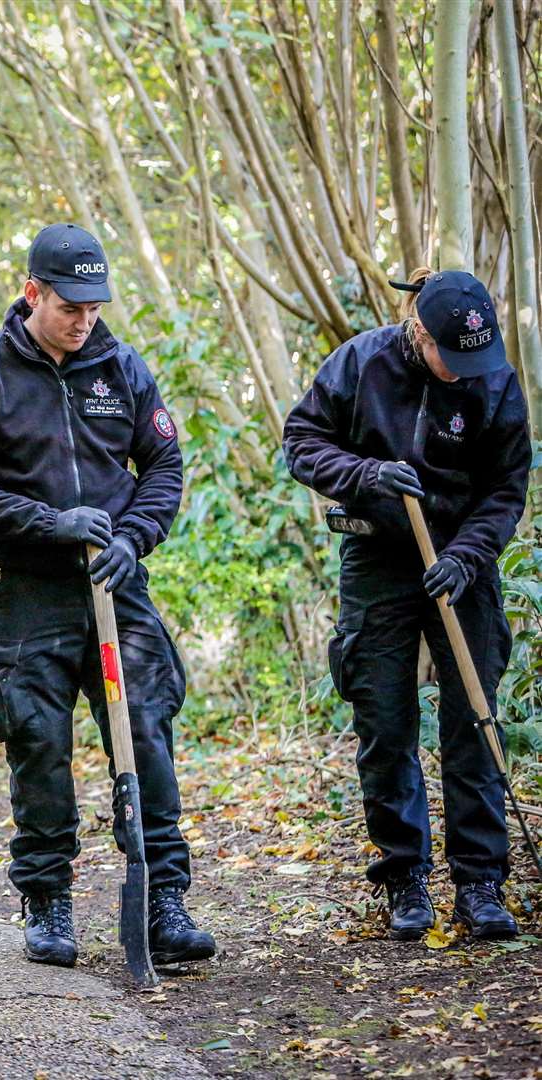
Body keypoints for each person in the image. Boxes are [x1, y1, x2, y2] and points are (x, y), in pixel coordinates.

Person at [0, 224, 215, 970]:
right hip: (27, 591)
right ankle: (47, 900)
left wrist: (132, 539)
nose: (84, 320)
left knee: (146, 730)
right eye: (70, 307)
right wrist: (48, 523)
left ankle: (164, 897)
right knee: (37, 744)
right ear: (34, 293)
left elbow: (162, 466)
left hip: (116, 586)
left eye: (94, 307)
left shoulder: (122, 368)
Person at [284, 268, 530, 942]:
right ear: (419, 332)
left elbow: (507, 488)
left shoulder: (493, 378)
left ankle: (480, 881)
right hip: (379, 556)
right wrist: (365, 475)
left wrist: (469, 554)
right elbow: (300, 442)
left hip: (461, 561)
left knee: (474, 719)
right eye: (449, 357)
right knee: (385, 721)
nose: (462, 372)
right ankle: (404, 877)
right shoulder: (359, 364)